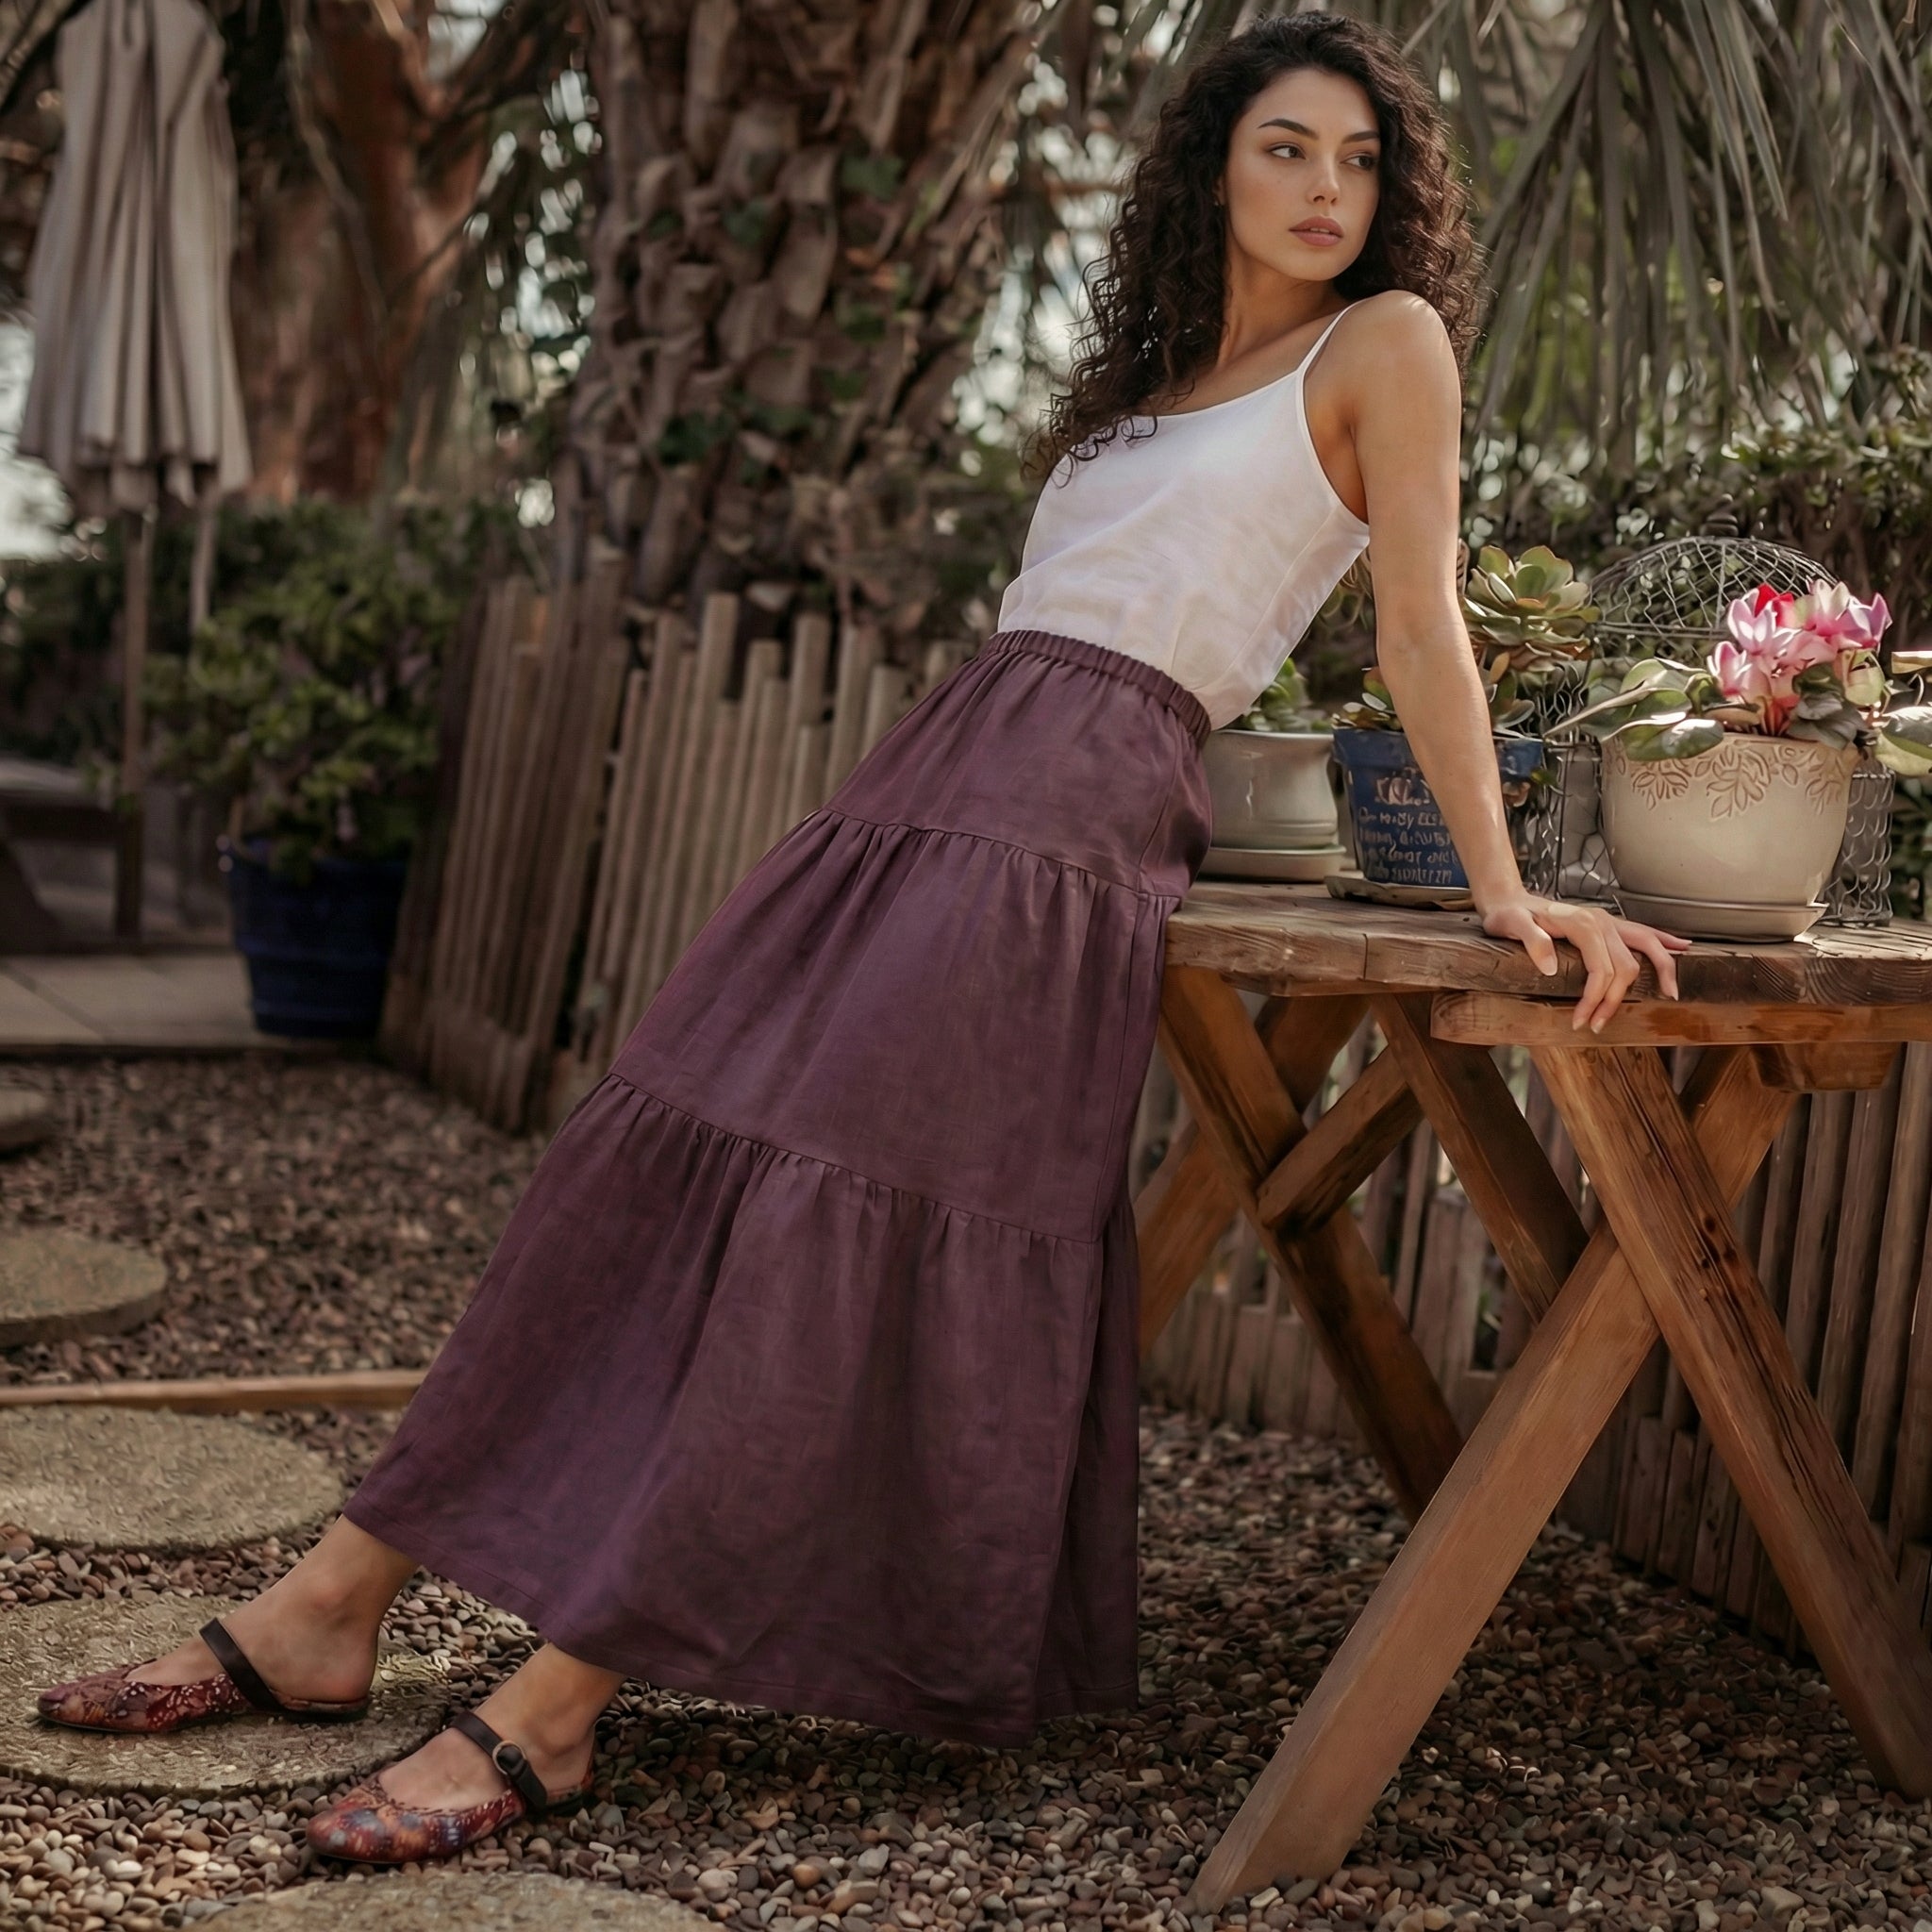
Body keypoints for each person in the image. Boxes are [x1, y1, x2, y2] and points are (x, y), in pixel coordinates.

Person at [35, 10, 1687, 1865]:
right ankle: (331, 1601)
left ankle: (555, 1707)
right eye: (1287, 148)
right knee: (640, 1171)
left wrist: (1493, 882)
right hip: (932, 782)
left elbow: (1418, 624)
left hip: (1068, 823)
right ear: (1213, 162)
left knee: (832, 1233)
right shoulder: (1140, 387)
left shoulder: (1387, 345)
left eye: (1360, 160)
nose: (1325, 189)